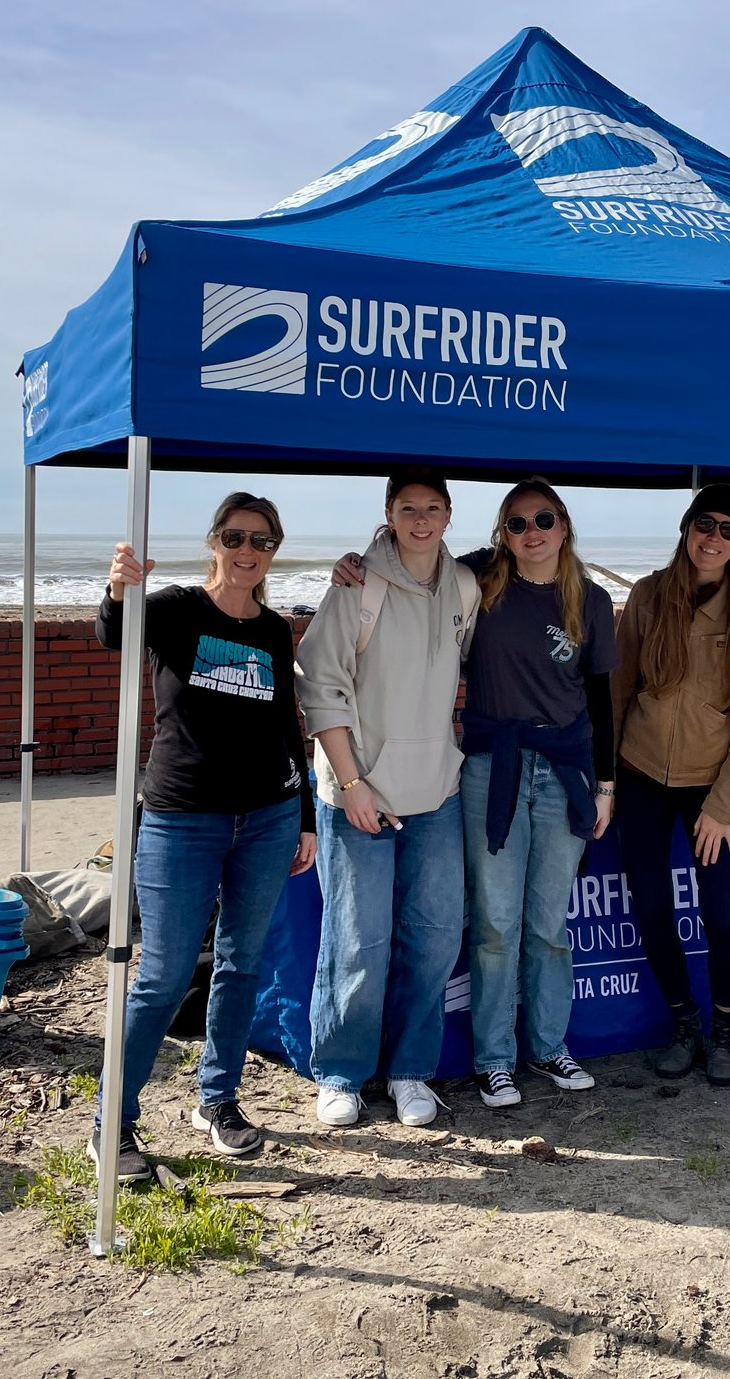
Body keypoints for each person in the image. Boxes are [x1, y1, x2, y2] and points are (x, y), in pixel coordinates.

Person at [335, 477, 617, 1109]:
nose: (531, 533)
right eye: (516, 524)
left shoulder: (590, 600)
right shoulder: (478, 580)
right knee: (494, 925)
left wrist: (605, 784)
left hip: (566, 772)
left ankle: (548, 1045)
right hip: (492, 769)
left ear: (563, 526)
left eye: (543, 520)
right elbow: (409, 564)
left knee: (547, 926)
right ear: (501, 534)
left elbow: (602, 700)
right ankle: (495, 1060)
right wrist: (356, 561)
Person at [92, 492, 316, 1175]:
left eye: (263, 542)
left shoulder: (275, 630)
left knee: (242, 964)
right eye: (235, 537)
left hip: (269, 817)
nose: (248, 552)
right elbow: (113, 633)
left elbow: (287, 725)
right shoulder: (177, 609)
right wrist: (116, 588)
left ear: (274, 551)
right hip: (181, 818)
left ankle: (217, 1100)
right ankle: (114, 1123)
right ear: (214, 541)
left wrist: (304, 815)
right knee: (159, 977)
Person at [296, 470, 476, 1130]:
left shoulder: (463, 586)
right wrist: (351, 784)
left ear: (449, 515)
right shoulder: (355, 587)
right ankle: (340, 1073)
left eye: (433, 509)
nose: (421, 521)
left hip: (437, 791)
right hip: (357, 793)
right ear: (389, 513)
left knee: (430, 941)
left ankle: (409, 1071)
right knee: (358, 940)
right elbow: (320, 686)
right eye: (408, 509)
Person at [611, 485, 730, 1087]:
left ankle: (725, 1029)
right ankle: (685, 1023)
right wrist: (607, 782)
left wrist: (722, 808)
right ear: (686, 528)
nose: (713, 538)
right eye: (704, 524)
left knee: (724, 919)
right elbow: (619, 689)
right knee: (651, 908)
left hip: (711, 788)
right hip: (640, 775)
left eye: (728, 530)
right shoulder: (649, 595)